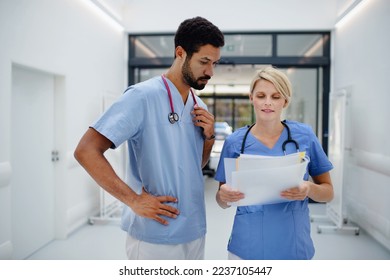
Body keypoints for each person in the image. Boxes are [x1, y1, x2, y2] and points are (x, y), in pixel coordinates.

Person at [74, 16, 224, 260]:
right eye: (204, 62)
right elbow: (86, 151)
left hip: (195, 230)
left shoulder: (200, 106)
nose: (210, 72)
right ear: (180, 53)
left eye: (215, 63)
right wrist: (132, 200)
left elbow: (194, 166)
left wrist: (208, 139)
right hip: (155, 235)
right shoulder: (141, 97)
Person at [214, 66, 334, 260]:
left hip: (294, 247)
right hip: (246, 249)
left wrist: (309, 189)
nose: (267, 103)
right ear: (251, 97)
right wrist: (223, 195)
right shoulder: (235, 142)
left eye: (275, 97)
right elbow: (222, 201)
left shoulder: (304, 136)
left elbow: (328, 193)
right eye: (261, 96)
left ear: (285, 101)